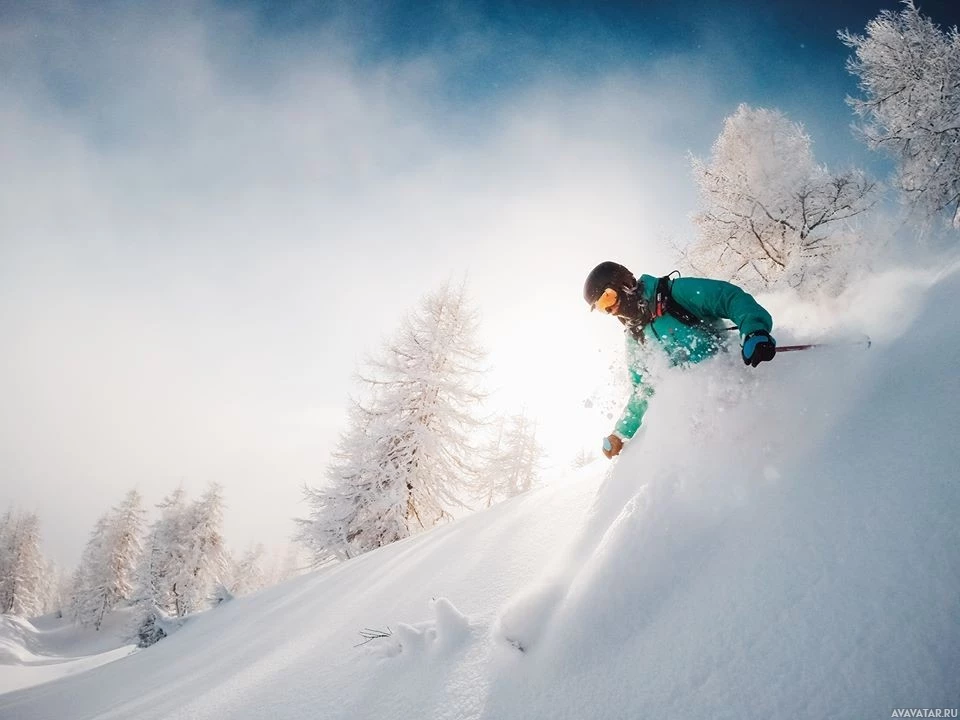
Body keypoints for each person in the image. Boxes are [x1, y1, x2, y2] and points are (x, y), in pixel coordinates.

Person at [583, 261, 777, 459]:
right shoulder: (636, 337)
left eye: (608, 298)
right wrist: (619, 433)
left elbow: (727, 297)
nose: (611, 310)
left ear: (624, 284)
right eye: (602, 308)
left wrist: (753, 330)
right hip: (707, 423)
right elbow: (642, 390)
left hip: (741, 387)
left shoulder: (674, 293)